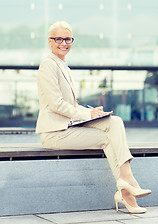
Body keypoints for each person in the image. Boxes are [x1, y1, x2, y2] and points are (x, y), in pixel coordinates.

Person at [36, 21, 151, 214]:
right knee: (109, 136)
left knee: (114, 122)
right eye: (59, 39)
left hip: (67, 127)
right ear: (50, 41)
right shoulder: (48, 65)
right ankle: (127, 187)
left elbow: (71, 105)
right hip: (54, 132)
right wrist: (86, 114)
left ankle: (127, 187)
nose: (64, 43)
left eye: (68, 39)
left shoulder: (62, 65)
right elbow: (56, 104)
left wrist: (92, 112)